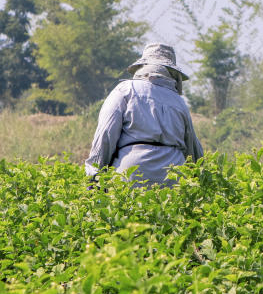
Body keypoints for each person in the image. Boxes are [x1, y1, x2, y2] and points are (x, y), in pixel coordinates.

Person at [85, 43, 204, 187]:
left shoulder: (125, 90)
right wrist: (200, 180)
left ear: (142, 67)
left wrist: (94, 176)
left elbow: (106, 133)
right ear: (172, 73)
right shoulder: (179, 101)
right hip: (173, 176)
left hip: (132, 172)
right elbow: (193, 149)